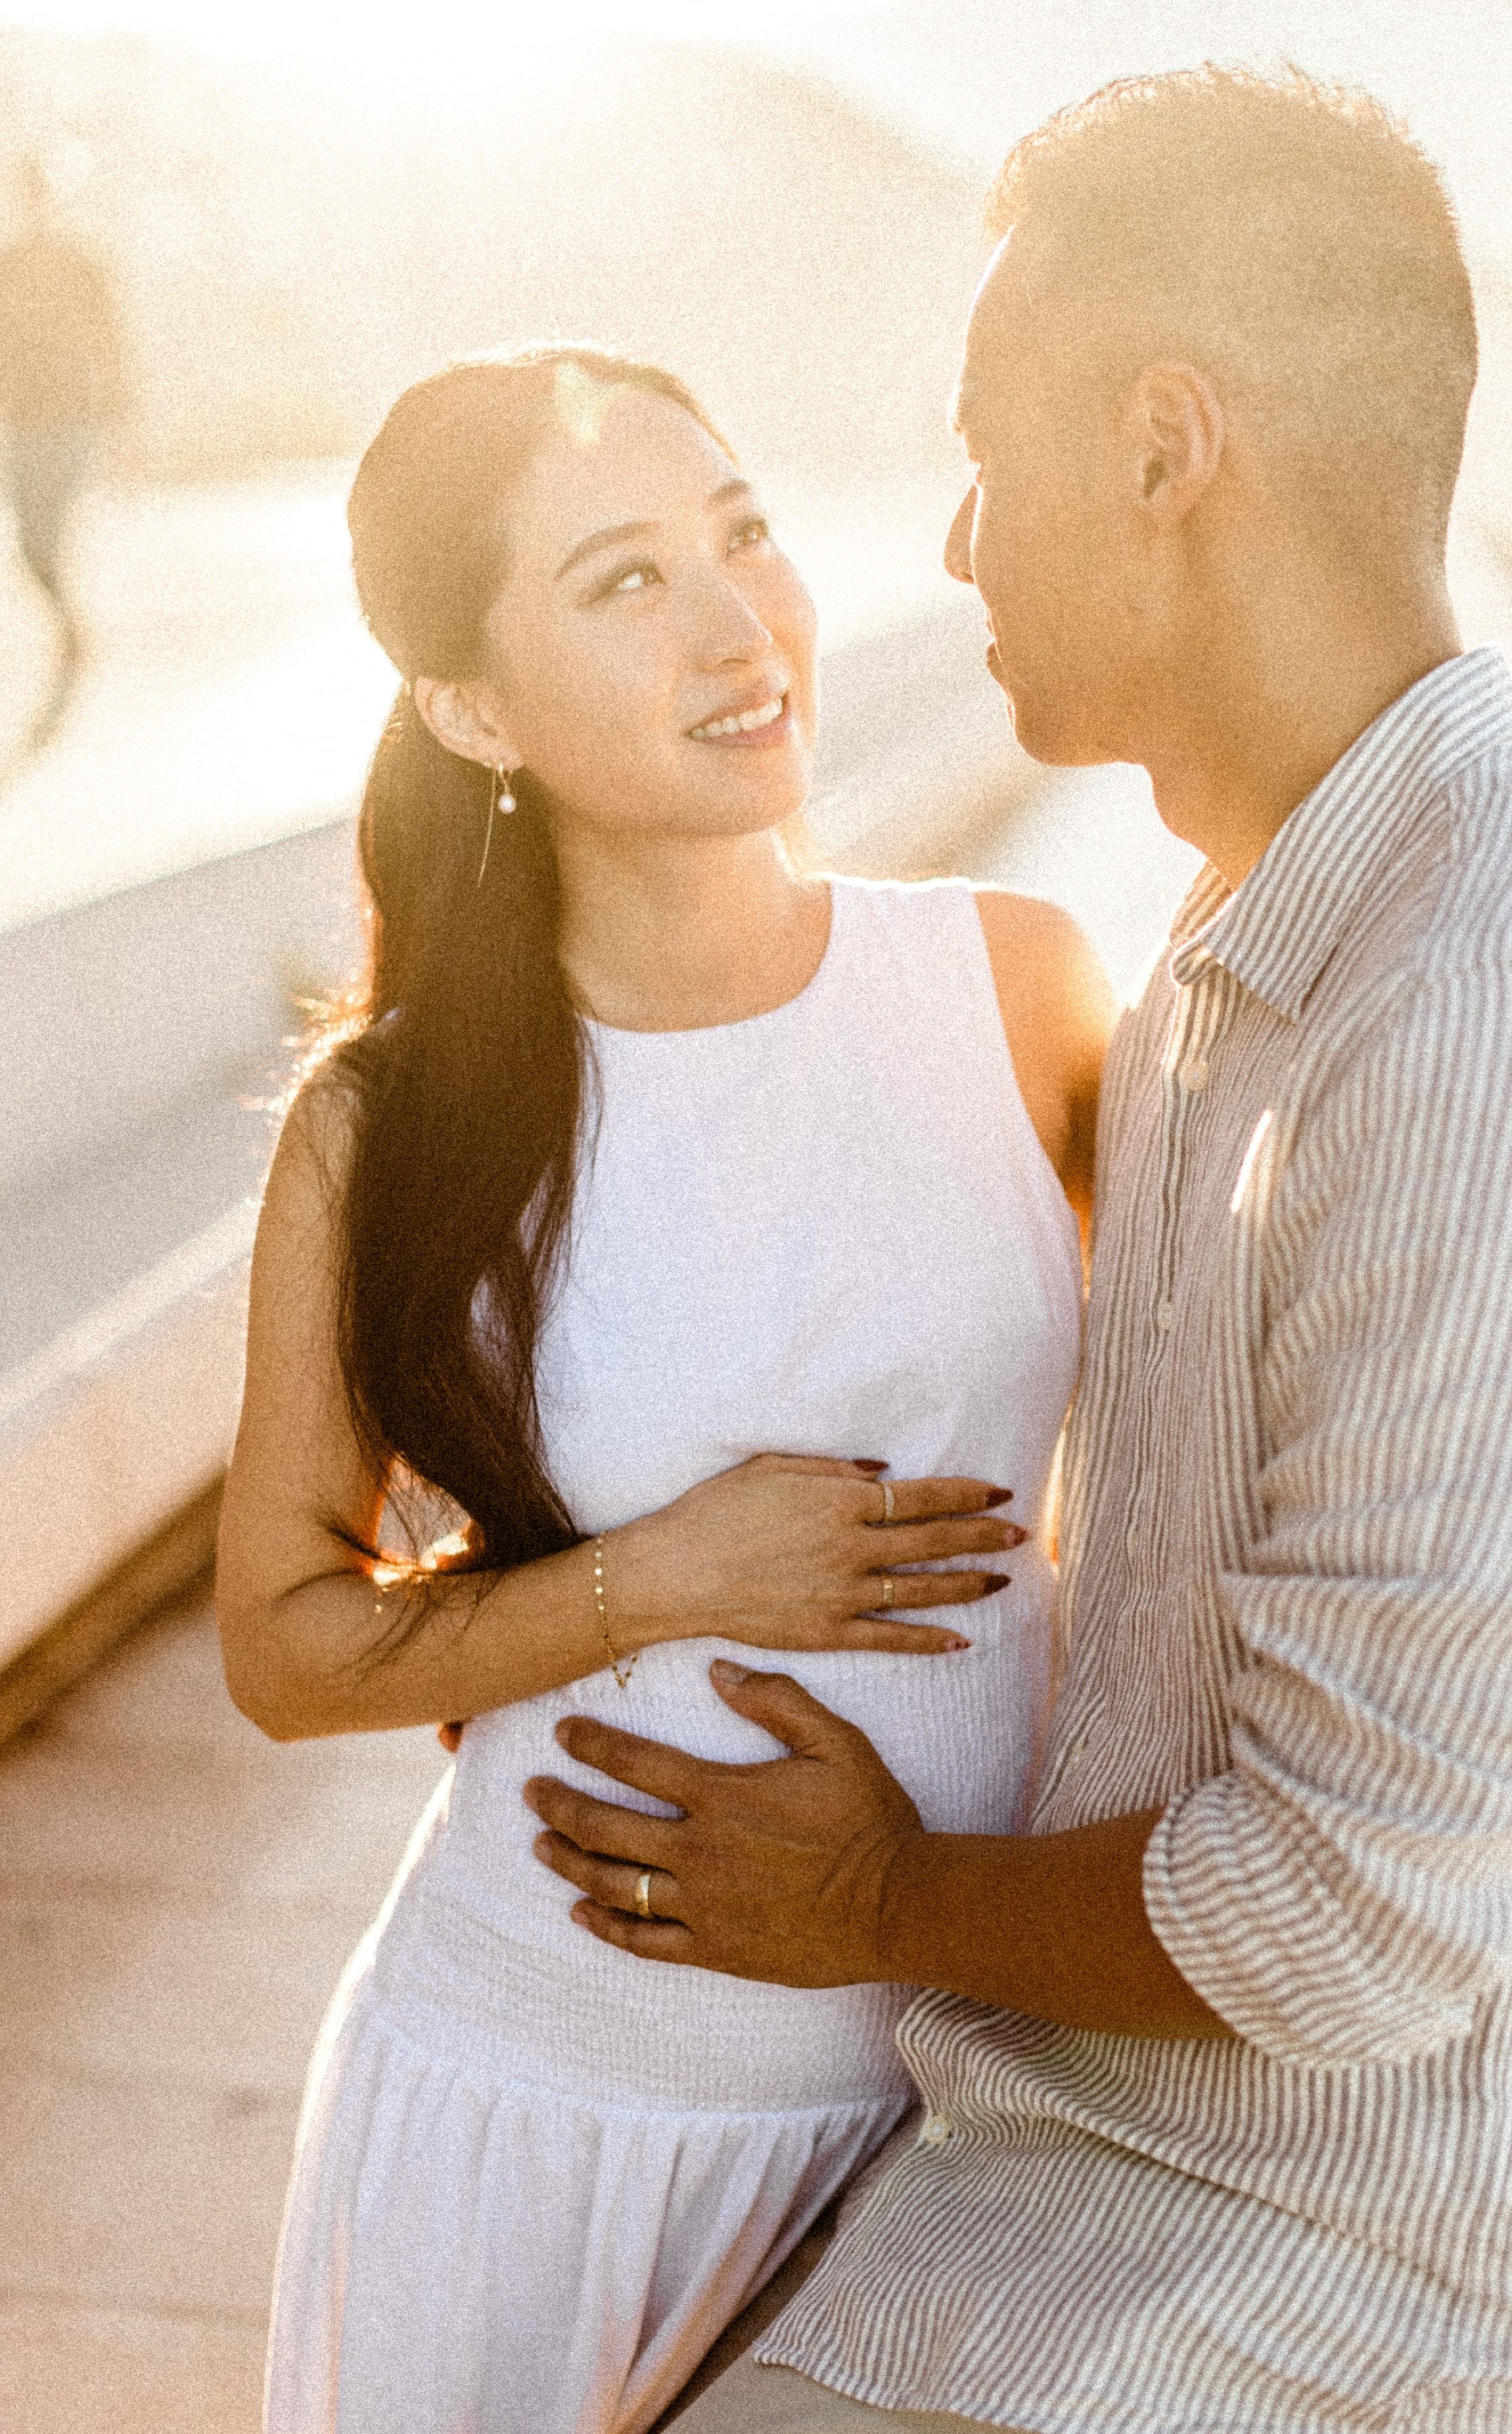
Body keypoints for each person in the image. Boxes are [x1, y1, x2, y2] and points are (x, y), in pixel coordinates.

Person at [526, 68, 1512, 2434]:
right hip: (1073, 2154)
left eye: (989, 450)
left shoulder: (1494, 1006)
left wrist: (876, 1895)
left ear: (1160, 448)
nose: (950, 539)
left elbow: (1356, 1908)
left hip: (1309, 2270)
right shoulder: (1271, 938)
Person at [214, 342, 1112, 2433]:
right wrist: (662, 1573)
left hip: (943, 2116)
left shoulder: (1016, 984)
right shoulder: (388, 1124)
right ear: (471, 707)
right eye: (621, 580)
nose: (738, 625)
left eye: (744, 534)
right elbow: (280, 1641)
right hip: (528, 2109)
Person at [0, 154, 129, 747]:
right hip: (24, 422)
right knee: (31, 547)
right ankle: (70, 626)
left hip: (77, 419)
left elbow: (113, 341)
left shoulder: (82, 265)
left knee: (50, 536)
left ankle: (71, 635)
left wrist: (125, 423)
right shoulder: (7, 269)